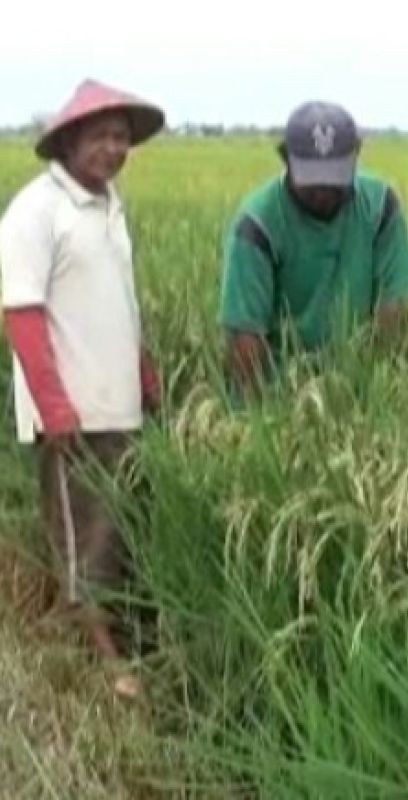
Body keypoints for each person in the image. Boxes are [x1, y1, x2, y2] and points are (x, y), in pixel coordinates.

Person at [0, 79, 166, 698]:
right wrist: (55, 406)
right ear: (69, 140)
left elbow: (117, 305)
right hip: (72, 416)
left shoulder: (109, 207)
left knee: (122, 530)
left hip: (118, 407)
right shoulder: (36, 211)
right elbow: (21, 314)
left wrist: (145, 375)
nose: (113, 148)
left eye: (121, 137)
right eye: (100, 135)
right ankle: (106, 666)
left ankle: (118, 642)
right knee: (86, 536)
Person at [218, 101, 408, 397]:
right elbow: (246, 337)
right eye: (312, 181)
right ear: (285, 158)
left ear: (356, 155)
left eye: (335, 178)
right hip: (280, 387)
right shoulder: (257, 225)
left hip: (358, 380)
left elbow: (395, 307)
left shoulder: (381, 208)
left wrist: (373, 391)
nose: (324, 192)